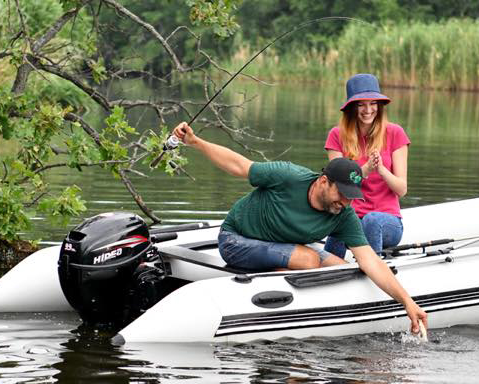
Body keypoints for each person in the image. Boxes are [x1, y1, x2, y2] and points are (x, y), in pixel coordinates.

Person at [170, 121, 427, 334]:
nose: (346, 202)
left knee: (345, 270)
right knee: (308, 259)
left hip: (282, 244)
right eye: (342, 193)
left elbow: (370, 260)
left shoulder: (342, 212)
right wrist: (195, 142)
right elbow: (239, 166)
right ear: (324, 181)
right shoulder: (288, 176)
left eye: (352, 197)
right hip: (237, 239)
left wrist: (408, 303)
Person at [324, 73, 409, 259]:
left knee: (371, 220)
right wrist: (364, 171)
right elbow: (335, 188)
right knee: (344, 218)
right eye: (361, 104)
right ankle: (326, 269)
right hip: (352, 218)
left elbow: (402, 189)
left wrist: (381, 170)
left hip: (388, 222)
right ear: (352, 108)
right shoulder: (336, 135)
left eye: (372, 103)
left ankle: (373, 270)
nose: (368, 110)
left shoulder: (395, 133)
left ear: (379, 106)